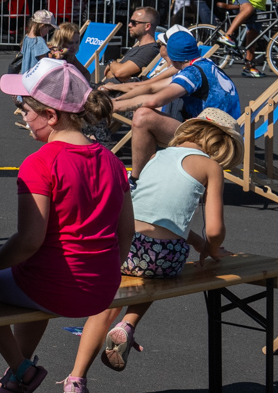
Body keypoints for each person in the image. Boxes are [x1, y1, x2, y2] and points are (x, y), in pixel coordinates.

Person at [0, 60, 133, 393]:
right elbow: (125, 233)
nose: (22, 115)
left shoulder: (40, 162)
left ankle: (20, 366)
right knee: (29, 278)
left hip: (55, 288)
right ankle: (15, 375)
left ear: (51, 116)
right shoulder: (112, 161)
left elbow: (28, 241)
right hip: (100, 291)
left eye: (25, 108)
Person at [89, 111, 238, 377]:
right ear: (222, 145)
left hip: (123, 247)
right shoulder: (210, 167)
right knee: (157, 272)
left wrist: (195, 240)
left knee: (128, 284)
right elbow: (215, 230)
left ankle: (75, 380)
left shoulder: (157, 156)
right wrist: (210, 249)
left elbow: (153, 213)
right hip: (159, 259)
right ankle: (129, 323)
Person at [110, 28, 241, 178]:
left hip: (214, 140)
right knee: (146, 114)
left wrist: (113, 107)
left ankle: (137, 179)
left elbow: (154, 99)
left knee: (143, 116)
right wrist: (117, 100)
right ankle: (150, 175)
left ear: (172, 56)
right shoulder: (205, 64)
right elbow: (152, 87)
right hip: (227, 133)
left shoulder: (192, 74)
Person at [104, 7, 163, 81]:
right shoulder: (137, 47)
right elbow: (108, 74)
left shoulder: (150, 50)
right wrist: (115, 68)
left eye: (133, 22)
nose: (129, 25)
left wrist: (111, 62)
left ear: (147, 26)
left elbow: (118, 72)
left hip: (113, 91)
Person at [19, 10, 55, 76]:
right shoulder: (39, 41)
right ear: (42, 26)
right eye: (48, 30)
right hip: (36, 76)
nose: (47, 33)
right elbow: (44, 62)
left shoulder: (26, 38)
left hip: (25, 75)